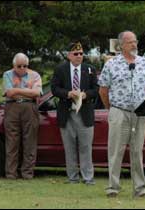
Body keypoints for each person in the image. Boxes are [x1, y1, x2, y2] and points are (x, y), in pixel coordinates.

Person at [98, 31, 145, 197]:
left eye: (135, 41)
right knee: (116, 151)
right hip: (119, 111)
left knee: (137, 151)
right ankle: (113, 188)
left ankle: (140, 189)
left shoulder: (144, 62)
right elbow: (103, 90)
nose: (134, 45)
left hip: (139, 113)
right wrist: (112, 109)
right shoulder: (111, 64)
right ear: (121, 45)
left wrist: (141, 102)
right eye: (130, 42)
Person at [51, 42, 98, 185]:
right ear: (69, 55)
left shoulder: (89, 69)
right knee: (69, 147)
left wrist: (85, 95)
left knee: (85, 147)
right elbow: (54, 89)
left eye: (81, 54)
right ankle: (72, 177)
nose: (79, 56)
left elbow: (96, 89)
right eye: (76, 54)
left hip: (84, 113)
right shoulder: (61, 69)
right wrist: (68, 93)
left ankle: (88, 178)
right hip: (67, 113)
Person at [3, 53, 42, 179]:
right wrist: (28, 92)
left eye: (24, 66)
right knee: (12, 141)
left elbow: (36, 93)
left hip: (30, 108)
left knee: (30, 141)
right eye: (19, 66)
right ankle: (11, 173)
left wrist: (17, 90)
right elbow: (9, 93)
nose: (22, 68)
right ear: (14, 65)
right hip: (12, 107)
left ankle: (27, 173)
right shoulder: (7, 74)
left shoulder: (34, 75)